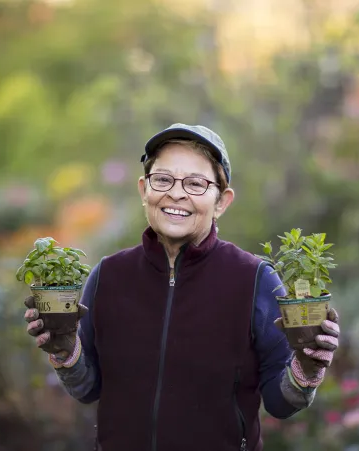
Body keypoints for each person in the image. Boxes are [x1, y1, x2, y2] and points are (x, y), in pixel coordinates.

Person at [23, 124, 341, 451]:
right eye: (163, 179)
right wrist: (65, 351)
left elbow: (280, 402)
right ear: (144, 189)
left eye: (196, 183)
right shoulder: (109, 276)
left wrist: (306, 370)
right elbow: (88, 388)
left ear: (222, 201)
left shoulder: (254, 280)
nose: (176, 193)